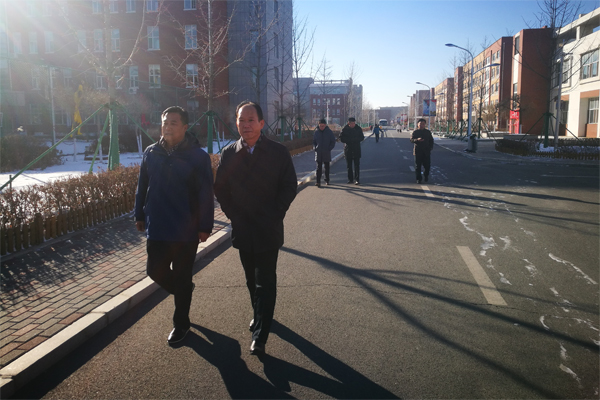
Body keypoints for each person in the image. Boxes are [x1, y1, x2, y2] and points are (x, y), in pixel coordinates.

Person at [214, 100, 297, 356]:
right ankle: (260, 314)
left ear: (261, 123)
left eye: (251, 120)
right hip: (243, 228)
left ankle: (260, 334)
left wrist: (276, 213)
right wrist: (233, 214)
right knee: (251, 279)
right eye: (241, 120)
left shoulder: (278, 152)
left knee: (265, 281)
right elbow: (221, 189)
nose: (246, 125)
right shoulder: (229, 153)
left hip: (268, 228)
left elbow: (289, 186)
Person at [134, 106, 214, 345]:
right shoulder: (151, 152)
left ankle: (181, 324)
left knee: (181, 275)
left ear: (185, 127)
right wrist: (139, 214)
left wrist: (205, 226)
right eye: (165, 123)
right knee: (154, 271)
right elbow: (142, 186)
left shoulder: (198, 157)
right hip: (157, 225)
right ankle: (184, 290)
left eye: (173, 123)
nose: (167, 127)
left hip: (185, 228)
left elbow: (205, 193)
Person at [339, 117, 364, 185]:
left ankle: (357, 179)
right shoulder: (345, 129)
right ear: (348, 123)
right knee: (349, 166)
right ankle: (350, 179)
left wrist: (356, 139)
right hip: (348, 148)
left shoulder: (358, 129)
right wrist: (348, 140)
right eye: (351, 123)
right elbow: (341, 138)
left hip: (356, 148)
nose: (353, 125)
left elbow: (362, 137)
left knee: (356, 165)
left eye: (354, 123)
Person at [313, 118, 337, 187]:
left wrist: (329, 148)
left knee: (327, 167)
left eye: (323, 126)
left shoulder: (329, 132)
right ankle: (318, 181)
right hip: (318, 152)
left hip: (326, 152)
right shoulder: (316, 132)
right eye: (320, 126)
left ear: (325, 125)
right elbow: (314, 141)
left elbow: (333, 141)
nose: (321, 127)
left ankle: (327, 180)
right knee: (318, 168)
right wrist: (315, 147)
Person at [410, 118, 434, 184]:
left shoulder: (427, 132)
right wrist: (417, 140)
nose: (421, 125)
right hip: (418, 151)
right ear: (418, 124)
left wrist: (430, 148)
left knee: (427, 166)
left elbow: (431, 141)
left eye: (423, 124)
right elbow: (411, 140)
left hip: (426, 152)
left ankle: (426, 175)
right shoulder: (415, 132)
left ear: (425, 125)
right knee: (418, 166)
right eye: (420, 124)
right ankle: (418, 179)